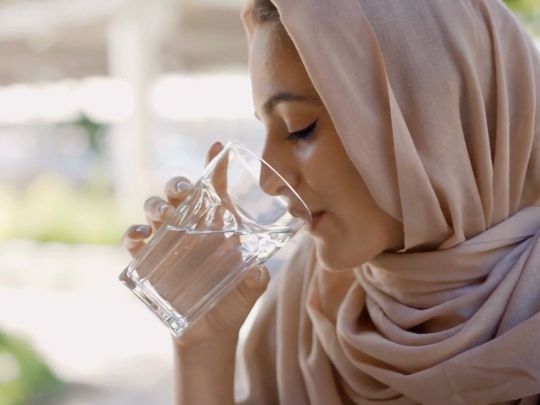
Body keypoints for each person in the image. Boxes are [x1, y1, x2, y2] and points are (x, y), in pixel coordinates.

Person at [122, 0, 540, 403]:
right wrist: (202, 347)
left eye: (299, 128)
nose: (269, 181)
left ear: (432, 117)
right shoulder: (308, 299)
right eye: (264, 130)